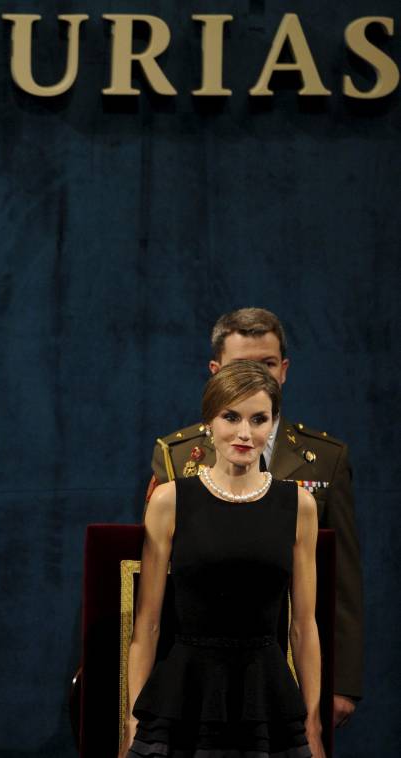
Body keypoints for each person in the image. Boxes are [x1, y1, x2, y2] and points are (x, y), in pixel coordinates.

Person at [147, 308, 362, 726]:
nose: (253, 376)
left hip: (288, 669)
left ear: (283, 369)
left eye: (265, 364)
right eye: (239, 366)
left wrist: (342, 681)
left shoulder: (326, 460)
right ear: (215, 372)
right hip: (197, 669)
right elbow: (157, 574)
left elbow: (343, 579)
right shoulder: (176, 456)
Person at [121, 361, 325, 758]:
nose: (245, 433)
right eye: (231, 416)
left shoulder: (298, 505)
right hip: (185, 695)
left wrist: (313, 721)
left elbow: (303, 625)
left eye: (259, 419)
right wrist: (132, 718)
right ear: (209, 422)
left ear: (273, 425)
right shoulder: (170, 500)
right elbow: (147, 624)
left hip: (265, 697)